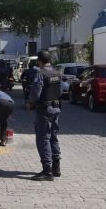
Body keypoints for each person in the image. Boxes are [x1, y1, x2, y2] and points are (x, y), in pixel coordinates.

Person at [25, 50, 62, 181]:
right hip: (56, 108)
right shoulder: (57, 73)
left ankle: (47, 171)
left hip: (44, 110)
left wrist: (30, 103)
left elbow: (36, 92)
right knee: (53, 137)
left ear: (39, 61)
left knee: (43, 139)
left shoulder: (40, 73)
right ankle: (56, 168)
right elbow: (60, 91)